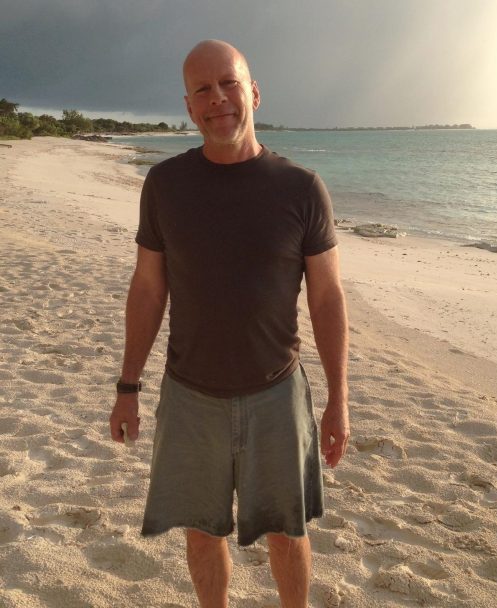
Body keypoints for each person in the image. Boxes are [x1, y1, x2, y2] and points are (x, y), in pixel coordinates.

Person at [109, 39, 349, 608]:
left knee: (287, 531)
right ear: (189, 108)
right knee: (201, 530)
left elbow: (327, 297)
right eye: (202, 90)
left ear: (254, 93)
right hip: (190, 395)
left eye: (228, 83)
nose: (217, 98)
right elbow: (148, 288)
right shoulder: (165, 184)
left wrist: (338, 398)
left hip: (277, 393)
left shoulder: (301, 188)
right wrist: (127, 386)